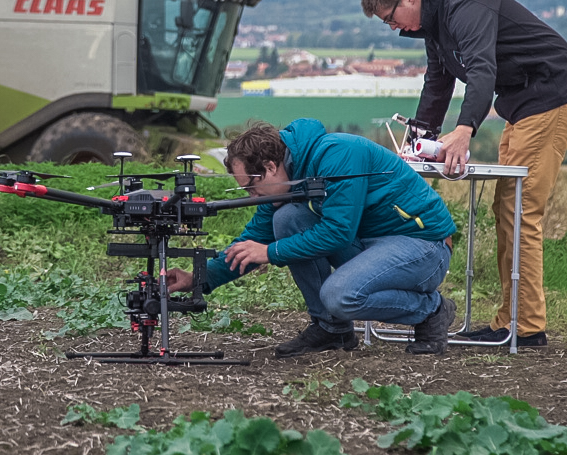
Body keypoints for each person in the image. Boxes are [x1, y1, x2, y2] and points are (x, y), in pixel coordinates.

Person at [360, 0, 567, 347]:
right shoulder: (435, 25)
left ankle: (526, 325)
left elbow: (482, 69)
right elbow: (437, 83)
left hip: (550, 98)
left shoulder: (465, 8)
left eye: (390, 18)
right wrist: (419, 142)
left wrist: (464, 130)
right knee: (507, 210)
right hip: (522, 107)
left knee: (519, 211)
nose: (393, 28)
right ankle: (515, 319)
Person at [165, 118, 458, 357]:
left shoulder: (339, 154)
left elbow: (337, 232)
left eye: (252, 187)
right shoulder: (285, 179)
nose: (251, 196)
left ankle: (432, 310)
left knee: (339, 295)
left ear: (269, 167)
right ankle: (332, 329)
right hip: (371, 243)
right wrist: (198, 279)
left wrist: (270, 253)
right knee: (287, 218)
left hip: (423, 245)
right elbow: (254, 239)